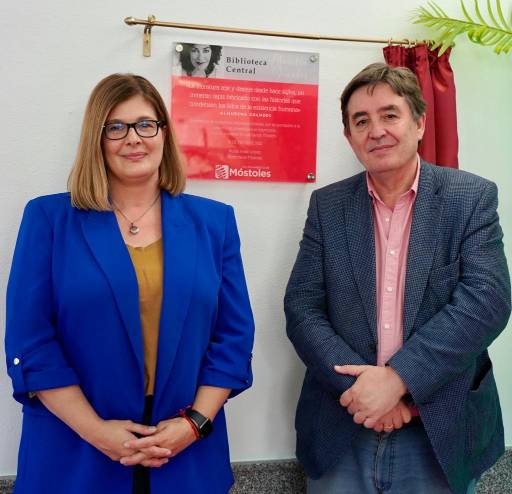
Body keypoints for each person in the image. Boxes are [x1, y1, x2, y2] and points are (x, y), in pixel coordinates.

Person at [5, 73, 254, 494]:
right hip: (74, 456)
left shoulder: (214, 223)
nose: (133, 138)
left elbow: (234, 336)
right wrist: (97, 431)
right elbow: (30, 343)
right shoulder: (49, 220)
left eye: (145, 124)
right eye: (116, 127)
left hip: (186, 457)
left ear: (163, 133)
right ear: (97, 139)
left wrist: (194, 424)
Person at [284, 63, 510, 494]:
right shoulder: (327, 206)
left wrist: (398, 380)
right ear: (349, 137)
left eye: (390, 115)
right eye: (361, 121)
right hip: (342, 425)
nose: (376, 131)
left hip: (439, 430)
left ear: (419, 123)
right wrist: (365, 393)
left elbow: (487, 301)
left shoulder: (470, 197)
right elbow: (302, 307)